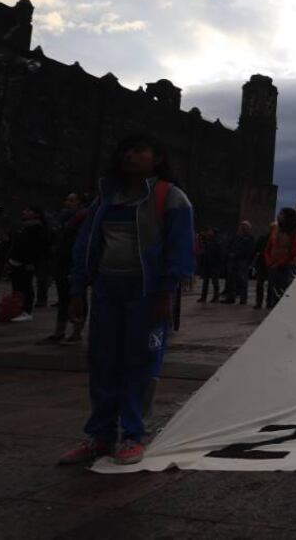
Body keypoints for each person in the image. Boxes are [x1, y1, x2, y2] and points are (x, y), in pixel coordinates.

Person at [58, 133, 195, 466]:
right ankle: (101, 435)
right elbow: (86, 244)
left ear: (157, 158)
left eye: (139, 151)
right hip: (107, 288)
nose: (130, 156)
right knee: (102, 361)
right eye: (125, 151)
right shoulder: (106, 198)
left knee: (141, 361)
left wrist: (166, 291)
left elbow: (180, 250)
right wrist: (78, 289)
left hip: (146, 292)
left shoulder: (171, 198)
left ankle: (134, 434)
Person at [38, 193, 90, 343]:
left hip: (74, 262)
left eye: (72, 200)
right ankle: (59, 331)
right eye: (67, 199)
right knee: (63, 298)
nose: (67, 203)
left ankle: (76, 332)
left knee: (78, 296)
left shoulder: (83, 219)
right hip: (61, 261)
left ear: (80, 203)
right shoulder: (64, 220)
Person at [6, 206, 50, 322]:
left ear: (36, 214)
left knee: (26, 286)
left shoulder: (37, 228)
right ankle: (17, 308)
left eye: (29, 210)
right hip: (16, 260)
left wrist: (31, 262)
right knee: (17, 286)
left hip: (26, 262)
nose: (24, 212)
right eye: (25, 210)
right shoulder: (23, 226)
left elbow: (35, 247)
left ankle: (26, 310)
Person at [264, 208, 296, 309]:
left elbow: (293, 252)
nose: (278, 216)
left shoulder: (294, 232)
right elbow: (268, 248)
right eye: (279, 213)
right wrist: (269, 262)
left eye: (281, 214)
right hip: (272, 264)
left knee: (281, 289)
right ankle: (269, 306)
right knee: (271, 287)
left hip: (285, 266)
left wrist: (279, 263)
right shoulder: (275, 229)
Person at [222, 221, 255, 305]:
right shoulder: (236, 237)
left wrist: (237, 254)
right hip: (232, 260)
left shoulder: (250, 238)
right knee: (231, 279)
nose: (242, 228)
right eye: (241, 226)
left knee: (242, 280)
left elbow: (249, 251)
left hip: (242, 261)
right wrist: (229, 253)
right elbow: (229, 245)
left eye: (245, 226)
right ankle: (230, 298)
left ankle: (243, 299)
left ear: (248, 228)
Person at [196, 228, 223, 303]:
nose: (208, 233)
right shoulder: (208, 241)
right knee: (205, 282)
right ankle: (203, 297)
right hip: (207, 264)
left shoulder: (217, 242)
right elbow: (205, 249)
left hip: (214, 264)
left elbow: (219, 254)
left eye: (210, 232)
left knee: (215, 281)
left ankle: (216, 297)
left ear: (214, 233)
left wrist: (218, 264)